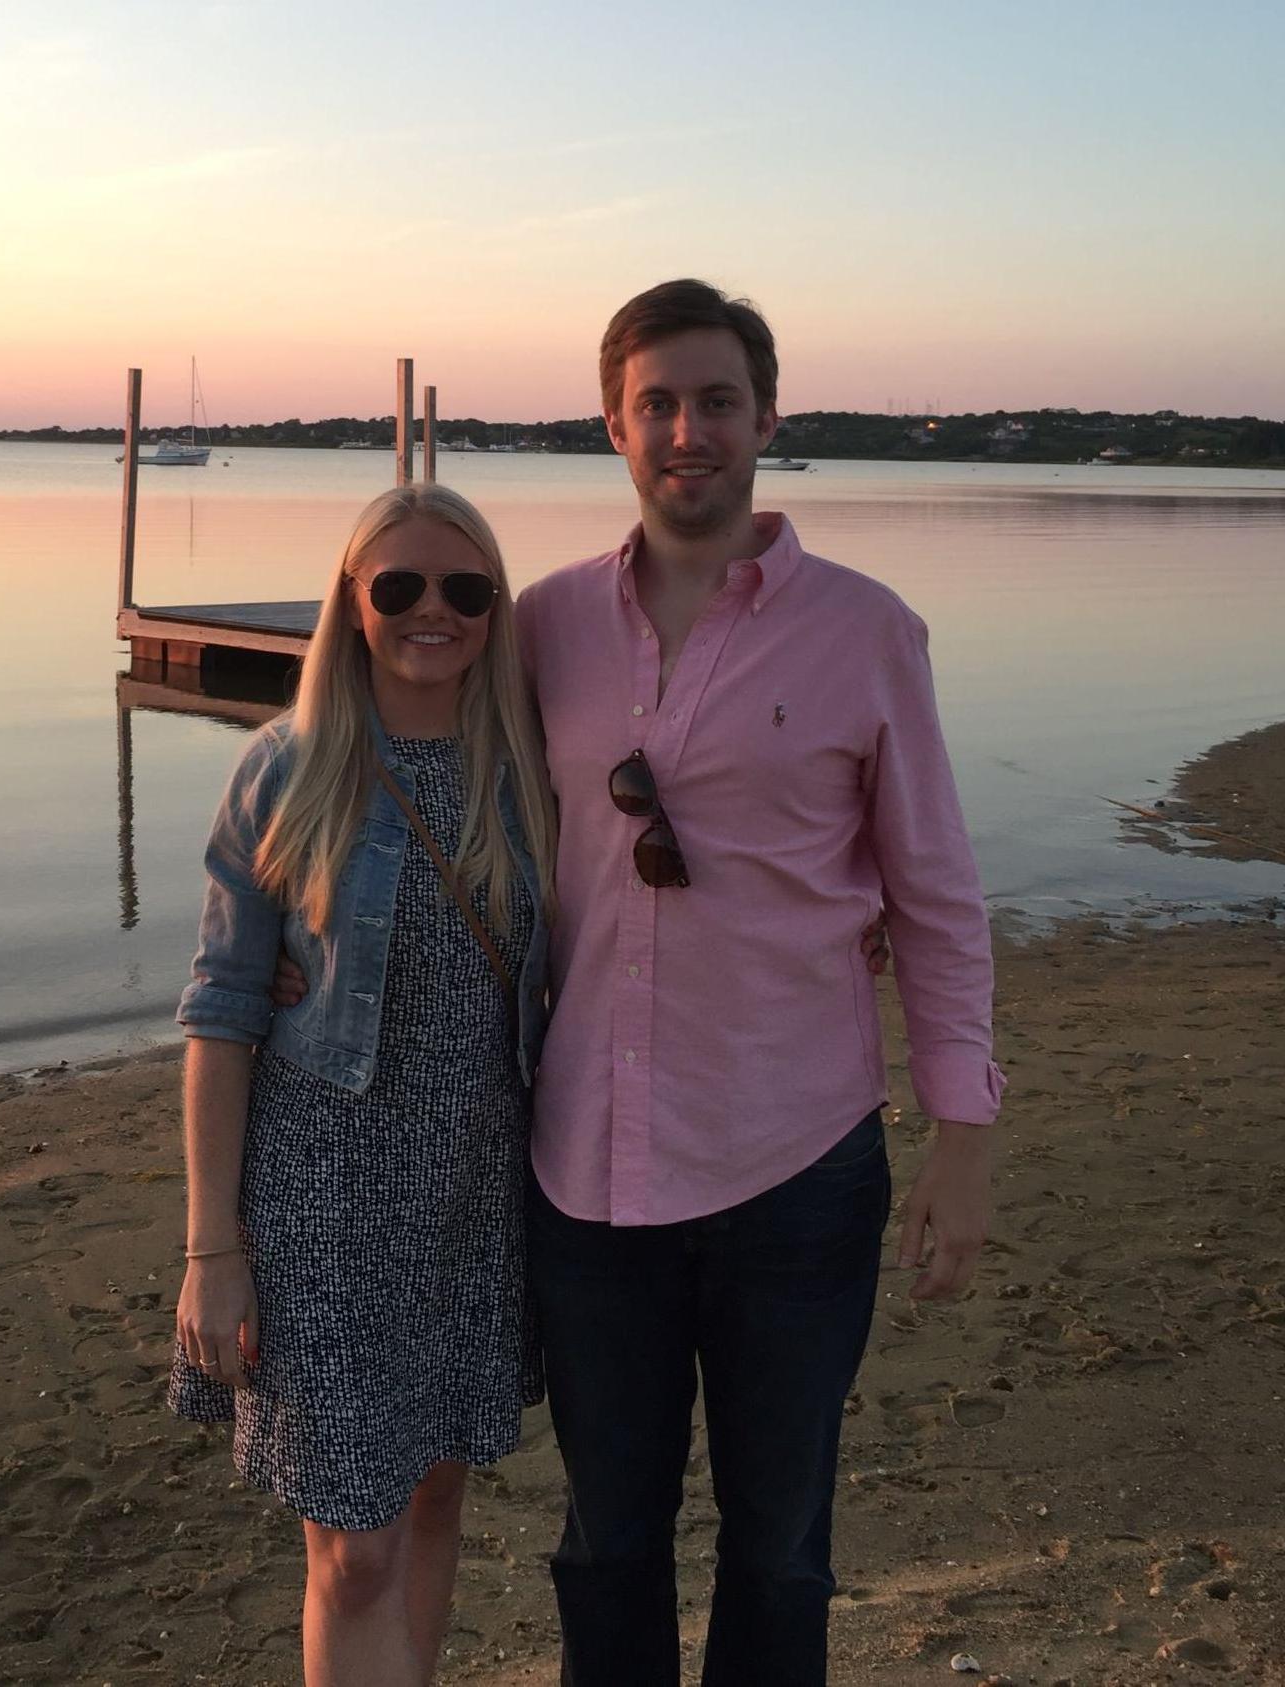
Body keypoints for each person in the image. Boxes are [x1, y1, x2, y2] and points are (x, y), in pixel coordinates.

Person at [514, 279, 1004, 1685]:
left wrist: (961, 1135)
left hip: (796, 1165)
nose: (688, 430)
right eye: (657, 403)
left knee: (780, 1546)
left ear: (766, 418)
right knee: (604, 1542)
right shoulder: (542, 626)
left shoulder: (866, 630)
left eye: (716, 400)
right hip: (586, 1168)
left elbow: (933, 893)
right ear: (612, 425)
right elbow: (454, 817)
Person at [168, 483, 556, 1687]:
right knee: (354, 1549)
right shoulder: (286, 768)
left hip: (476, 1195)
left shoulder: (527, 766)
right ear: (352, 600)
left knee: (435, 1497)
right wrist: (210, 1247)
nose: (433, 610)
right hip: (324, 1205)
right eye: (399, 585)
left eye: (464, 588)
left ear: (494, 607)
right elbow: (222, 1014)